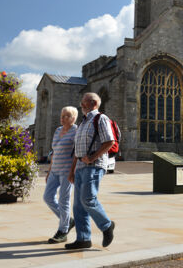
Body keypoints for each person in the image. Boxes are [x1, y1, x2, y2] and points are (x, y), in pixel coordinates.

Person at [65, 92, 115, 250]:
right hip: (80, 167)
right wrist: (72, 171)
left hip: (94, 166)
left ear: (93, 103)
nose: (81, 105)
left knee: (88, 199)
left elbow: (109, 141)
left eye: (83, 102)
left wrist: (93, 157)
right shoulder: (82, 123)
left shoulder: (100, 118)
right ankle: (83, 239)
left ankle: (107, 226)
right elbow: (77, 151)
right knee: (78, 206)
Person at [43, 106, 78, 243]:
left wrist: (72, 172)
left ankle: (63, 231)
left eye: (66, 116)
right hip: (55, 170)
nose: (62, 118)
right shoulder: (58, 130)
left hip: (66, 171)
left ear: (74, 118)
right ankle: (68, 220)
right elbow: (54, 152)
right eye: (62, 115)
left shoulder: (76, 131)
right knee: (47, 197)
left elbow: (76, 154)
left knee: (64, 201)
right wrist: (49, 170)